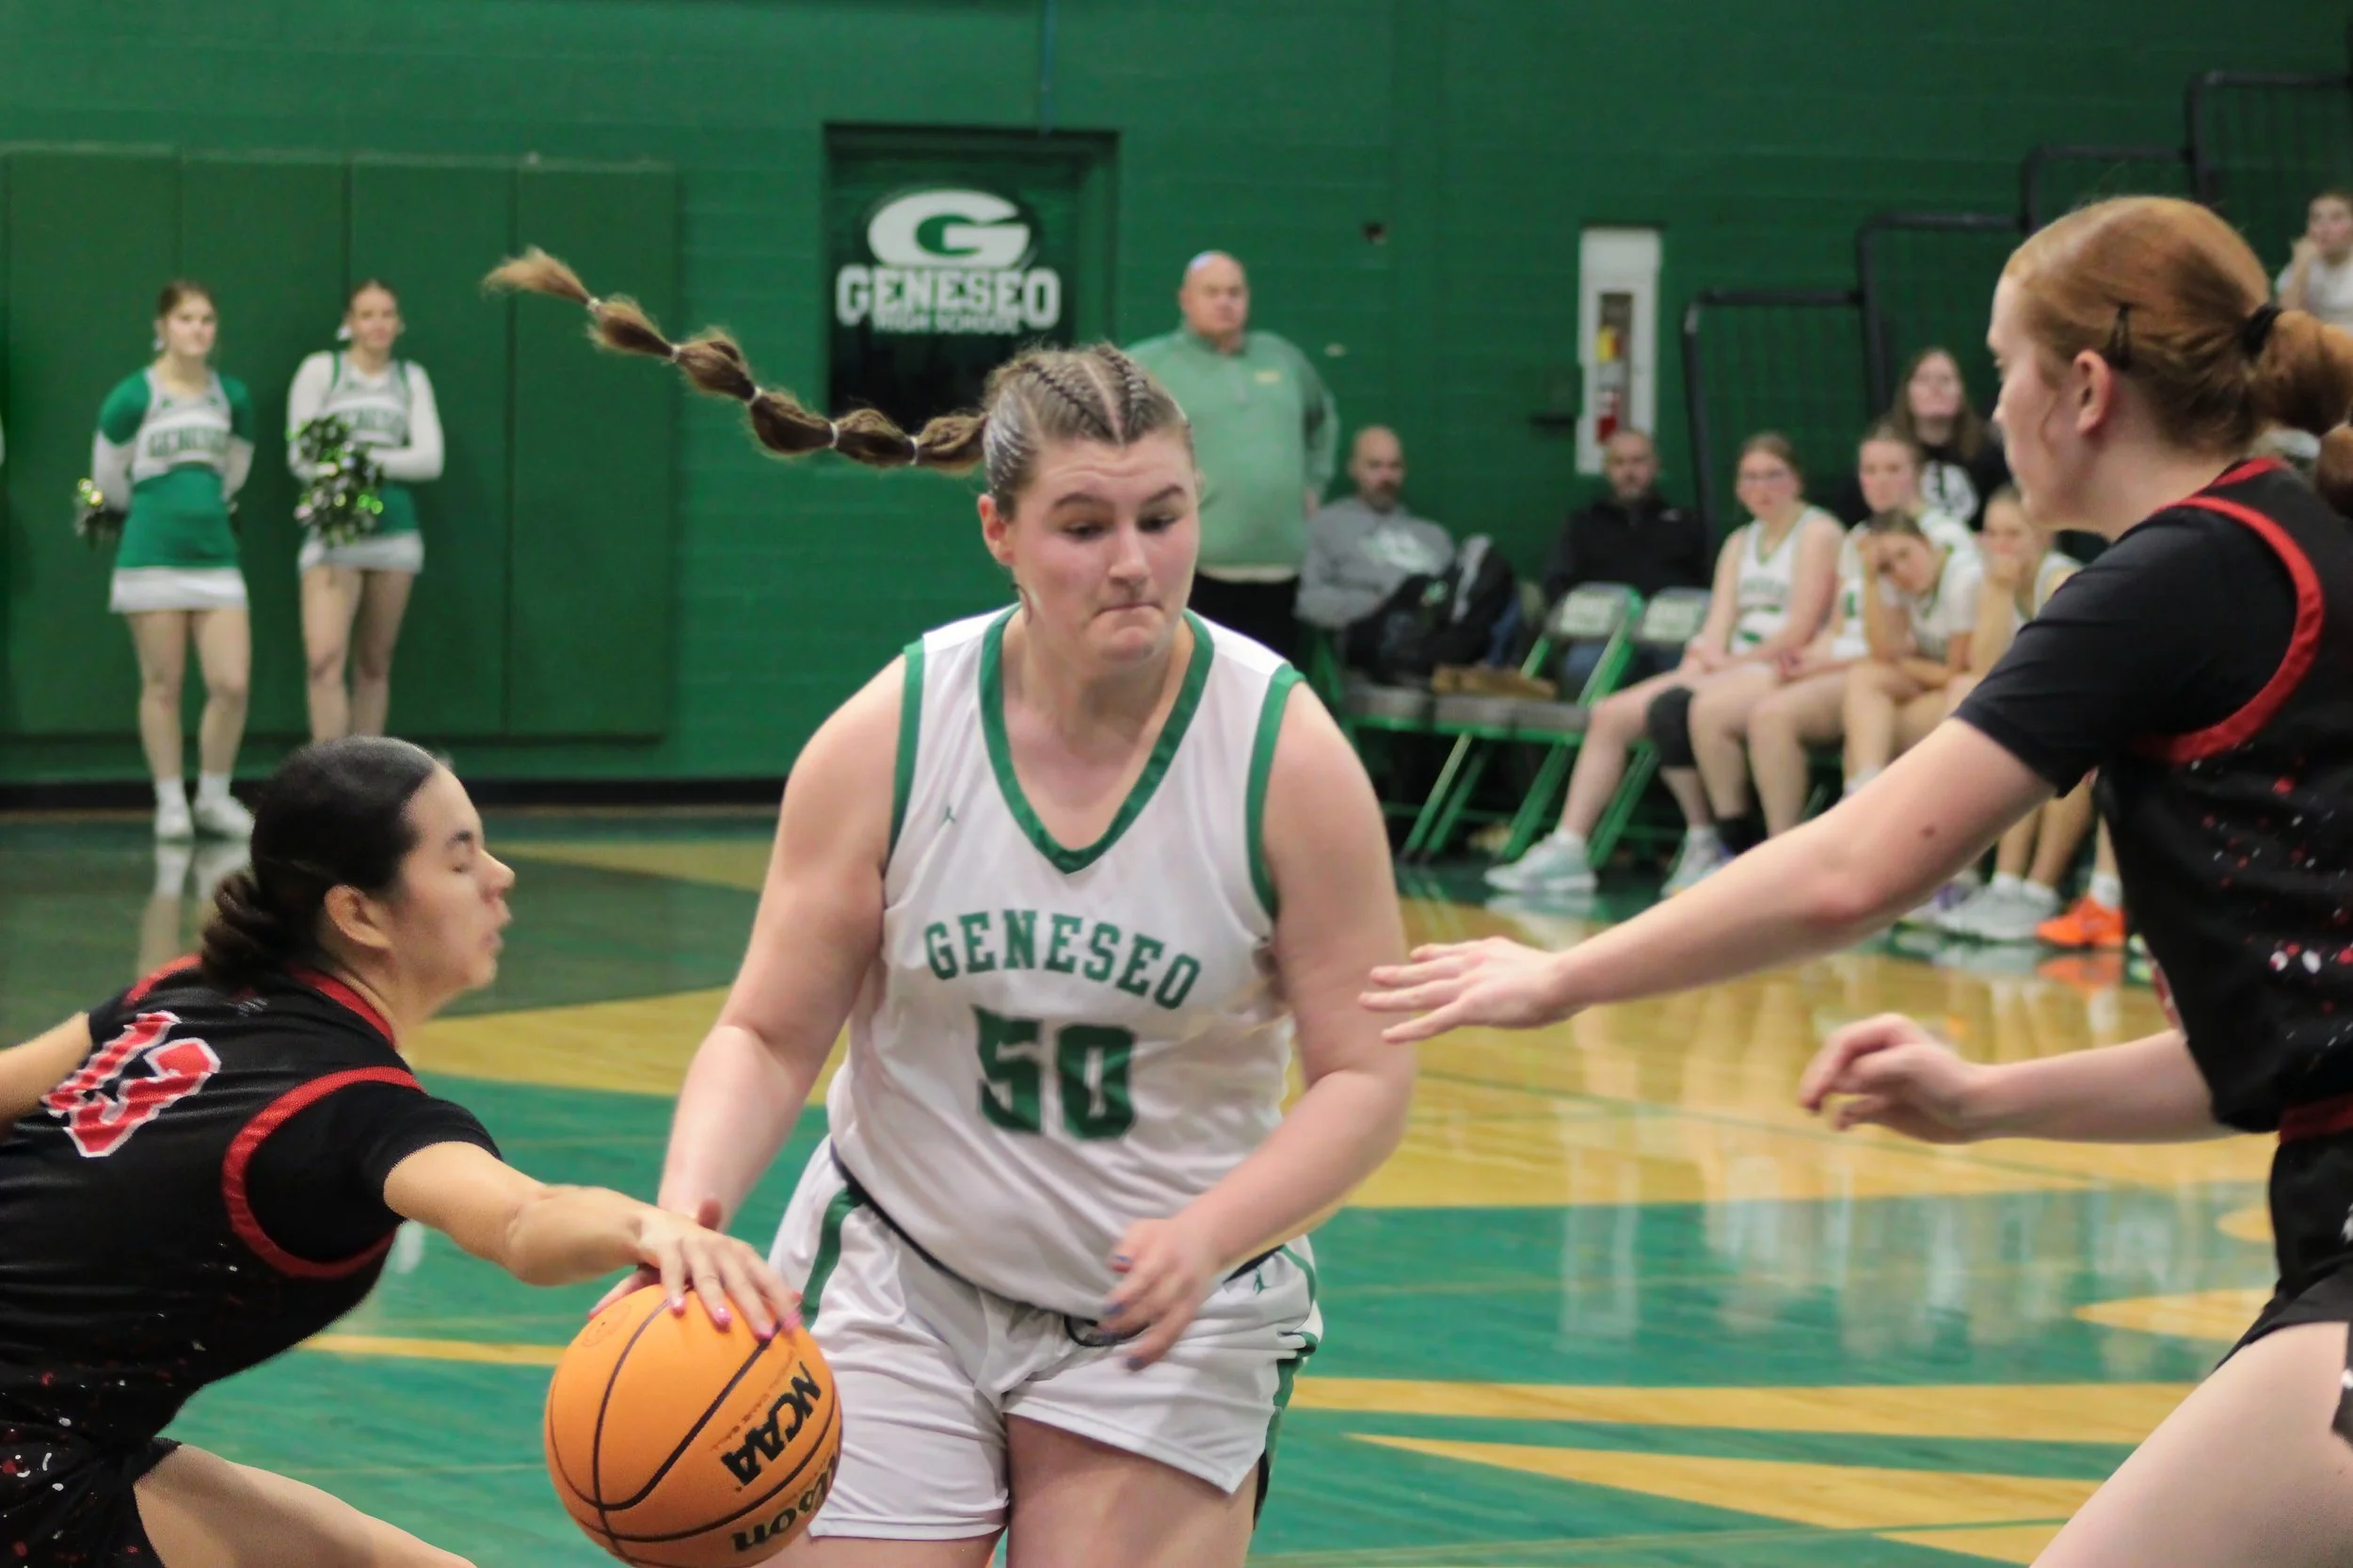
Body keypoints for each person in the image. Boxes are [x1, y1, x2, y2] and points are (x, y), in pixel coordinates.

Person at [1367, 194, 2353, 1568]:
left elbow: (1853, 868)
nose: (1994, 407)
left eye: (2002, 366)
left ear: (2082, 388)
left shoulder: (2177, 576)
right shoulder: (2291, 542)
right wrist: (1986, 1100)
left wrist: (1566, 975)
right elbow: (2280, 1050)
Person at [488, 248, 1413, 1564]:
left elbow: (1365, 1078)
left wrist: (1214, 1231)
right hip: (907, 1273)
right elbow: (767, 1032)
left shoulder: (1287, 757)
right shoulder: (896, 733)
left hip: (1169, 1310)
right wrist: (687, 1219)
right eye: (1084, 527)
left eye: (1164, 516)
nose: (1135, 562)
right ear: (999, 532)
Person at [0, 736, 798, 1567]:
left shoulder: (182, 995)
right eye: (460, 859)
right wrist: (650, 1228)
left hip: (50, 1431)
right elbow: (521, 1220)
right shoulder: (349, 1106)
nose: (500, 875)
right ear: (359, 913)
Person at [1485, 433, 1841, 897]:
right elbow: (1720, 618)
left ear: (1796, 480)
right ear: (1738, 487)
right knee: (1610, 713)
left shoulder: (1818, 532)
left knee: (1676, 708)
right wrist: (1705, 655)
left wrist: (1730, 662)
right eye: (1750, 478)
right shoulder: (1740, 541)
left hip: (1782, 667)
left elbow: (1801, 628)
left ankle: (1721, 843)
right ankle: (1570, 848)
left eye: (1773, 475)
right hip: (1733, 665)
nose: (1762, 487)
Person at [1692, 423, 1973, 844]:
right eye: (1869, 470)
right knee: (1717, 711)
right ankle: (1764, 847)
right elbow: (1840, 624)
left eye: (1892, 469)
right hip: (1844, 661)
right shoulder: (1859, 535)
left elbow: (1909, 643)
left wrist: (1827, 664)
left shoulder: (1943, 537)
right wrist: (1809, 657)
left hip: (1892, 670)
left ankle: (1796, 846)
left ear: (1915, 474)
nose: (1879, 480)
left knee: (1773, 716)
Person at [90, 281, 258, 843]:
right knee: (163, 684)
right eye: (186, 318)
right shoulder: (132, 397)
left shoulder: (231, 396)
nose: (198, 329)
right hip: (151, 560)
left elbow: (235, 470)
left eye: (207, 319)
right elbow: (109, 478)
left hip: (215, 560)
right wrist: (154, 511)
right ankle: (169, 803)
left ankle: (212, 797)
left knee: (231, 683)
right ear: (161, 327)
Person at [1126, 251, 1339, 660]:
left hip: (1282, 570)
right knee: (1194, 684)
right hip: (1194, 571)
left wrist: (1315, 481)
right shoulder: (1149, 364)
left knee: (1269, 689)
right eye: (1212, 292)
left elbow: (1322, 418)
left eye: (1234, 292)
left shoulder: (1281, 358)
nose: (1225, 302)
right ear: (1185, 299)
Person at [288, 280, 446, 743]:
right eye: (367, 314)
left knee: (375, 663)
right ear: (349, 323)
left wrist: (357, 460)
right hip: (333, 533)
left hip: (395, 535)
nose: (378, 324)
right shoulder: (322, 371)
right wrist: (377, 463)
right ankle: (329, 772)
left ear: (399, 322)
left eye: (387, 314)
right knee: (323, 662)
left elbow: (430, 459)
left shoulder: (411, 378)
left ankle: (367, 775)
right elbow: (301, 457)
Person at [1934, 487, 2087, 942]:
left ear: (2043, 536)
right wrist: (1999, 592)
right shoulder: (1994, 583)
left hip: (2089, 711)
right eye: (1992, 535)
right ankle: (1998, 882)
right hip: (2039, 712)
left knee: (2046, 744)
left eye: (2013, 535)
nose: (2001, 547)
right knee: (1989, 720)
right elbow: (1983, 669)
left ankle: (2038, 890)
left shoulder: (2061, 581)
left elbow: (2075, 677)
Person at [1540, 429, 1710, 683]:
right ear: (1607, 469)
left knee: (1691, 669)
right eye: (1619, 462)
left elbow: (1709, 584)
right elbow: (1557, 583)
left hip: (1669, 636)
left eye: (1638, 461)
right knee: (1581, 666)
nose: (1629, 472)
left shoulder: (1686, 523)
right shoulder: (1583, 523)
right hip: (1602, 636)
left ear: (1655, 465)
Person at [1294, 425, 1453, 670]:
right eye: (1375, 466)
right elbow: (1307, 600)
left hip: (1433, 620)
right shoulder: (1326, 526)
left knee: (1481, 555)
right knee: (1412, 591)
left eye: (1394, 466)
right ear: (1353, 469)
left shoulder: (1433, 535)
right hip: (1373, 636)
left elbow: (1449, 591)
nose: (1386, 476)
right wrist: (1380, 603)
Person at [1834, 346, 2010, 531]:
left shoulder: (1987, 453)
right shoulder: (1885, 451)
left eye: (1945, 380)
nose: (1935, 389)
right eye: (1924, 380)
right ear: (1907, 392)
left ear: (1961, 392)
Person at [2277, 189, 2353, 331]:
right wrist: (2300, 266)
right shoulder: (2302, 264)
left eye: (2336, 218)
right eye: (2316, 219)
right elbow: (2285, 323)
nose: (2325, 229)